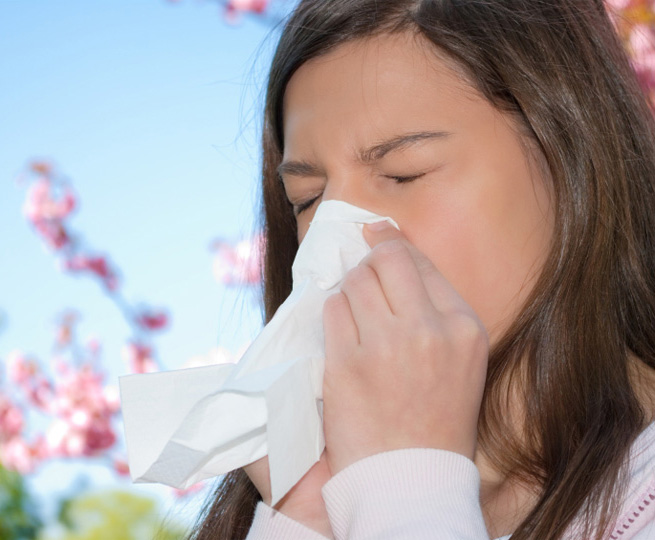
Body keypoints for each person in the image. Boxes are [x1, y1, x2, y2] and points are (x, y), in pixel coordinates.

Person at [188, 1, 655, 538]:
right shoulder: (296, 504)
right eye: (307, 199)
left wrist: (404, 483)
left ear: (571, 156)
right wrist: (305, 520)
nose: (337, 236)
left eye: (403, 173)